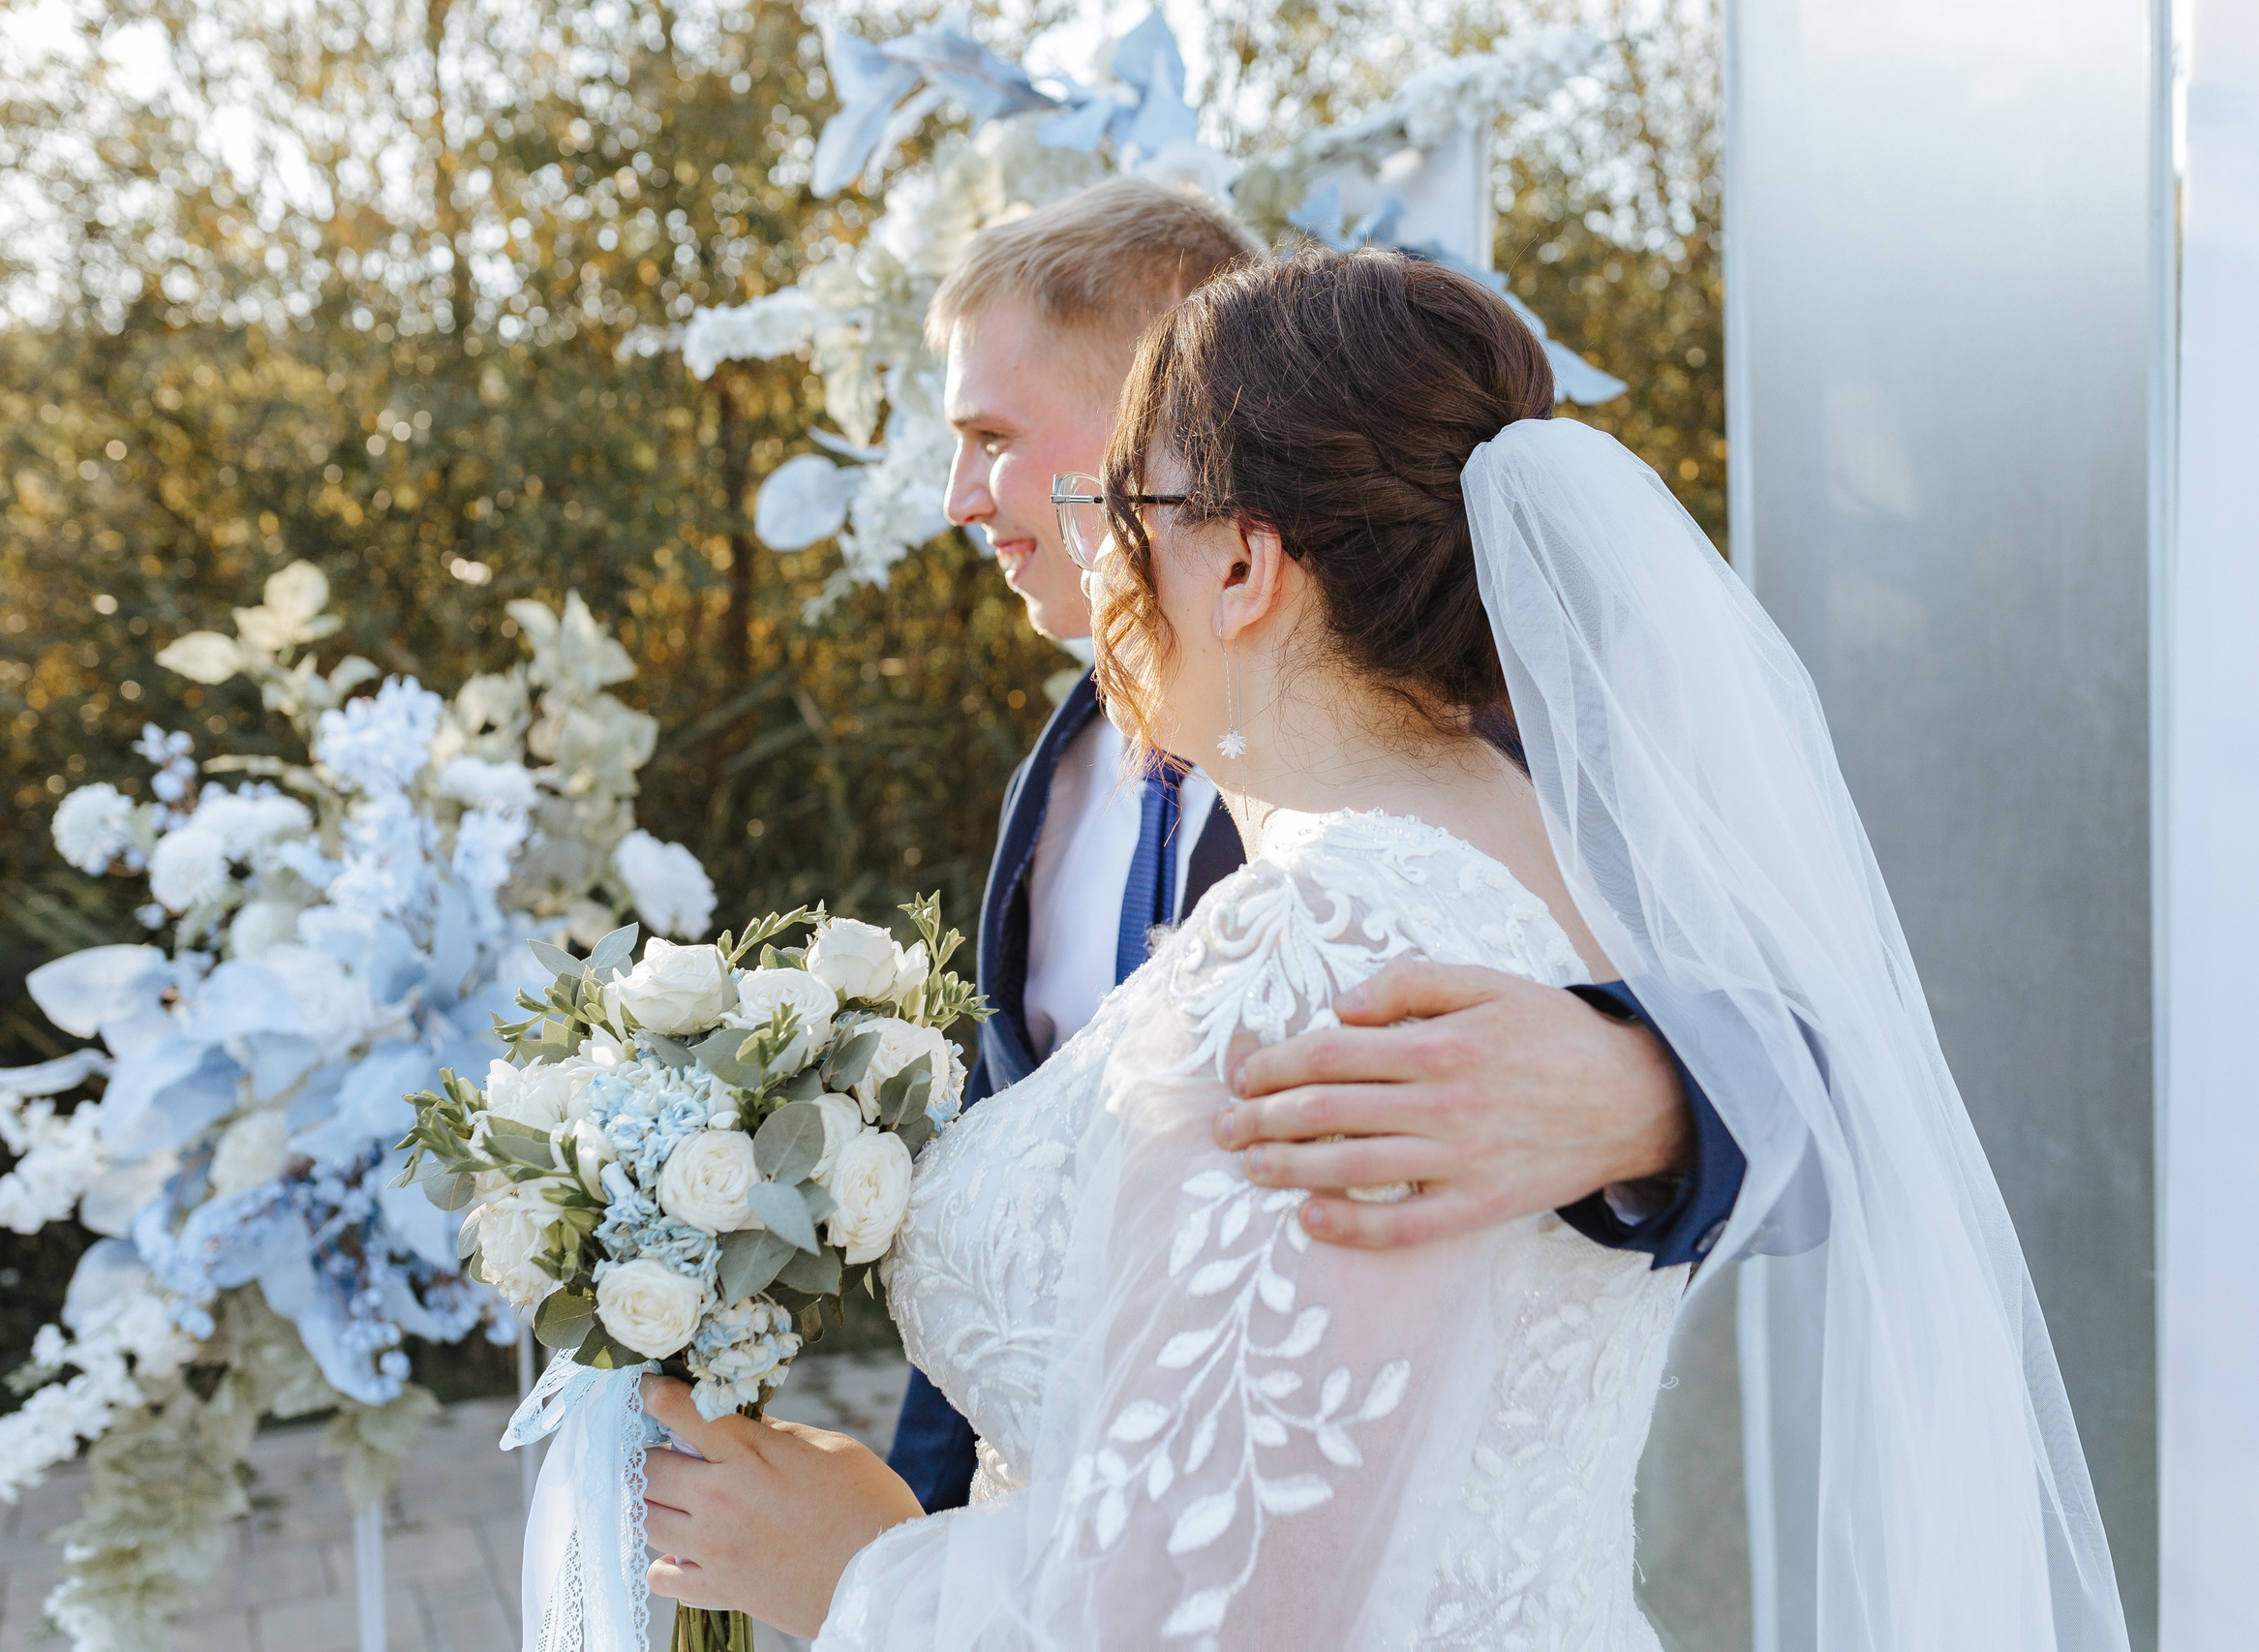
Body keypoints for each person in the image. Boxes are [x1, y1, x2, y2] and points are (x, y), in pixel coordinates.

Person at [637, 250, 2130, 1649]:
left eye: (1121, 514)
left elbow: (1220, 1607)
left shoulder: (1331, 936)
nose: (1100, 575)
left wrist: (852, 1569)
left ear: (1239, 568)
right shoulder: (1552, 868)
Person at [861, 174, 1745, 1520]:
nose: (959, 498)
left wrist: (1648, 1089)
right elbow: (1034, 1226)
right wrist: (913, 1539)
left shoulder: (1492, 746)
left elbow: (1829, 1052)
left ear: (1160, 403)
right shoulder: (1053, 777)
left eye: (992, 433)